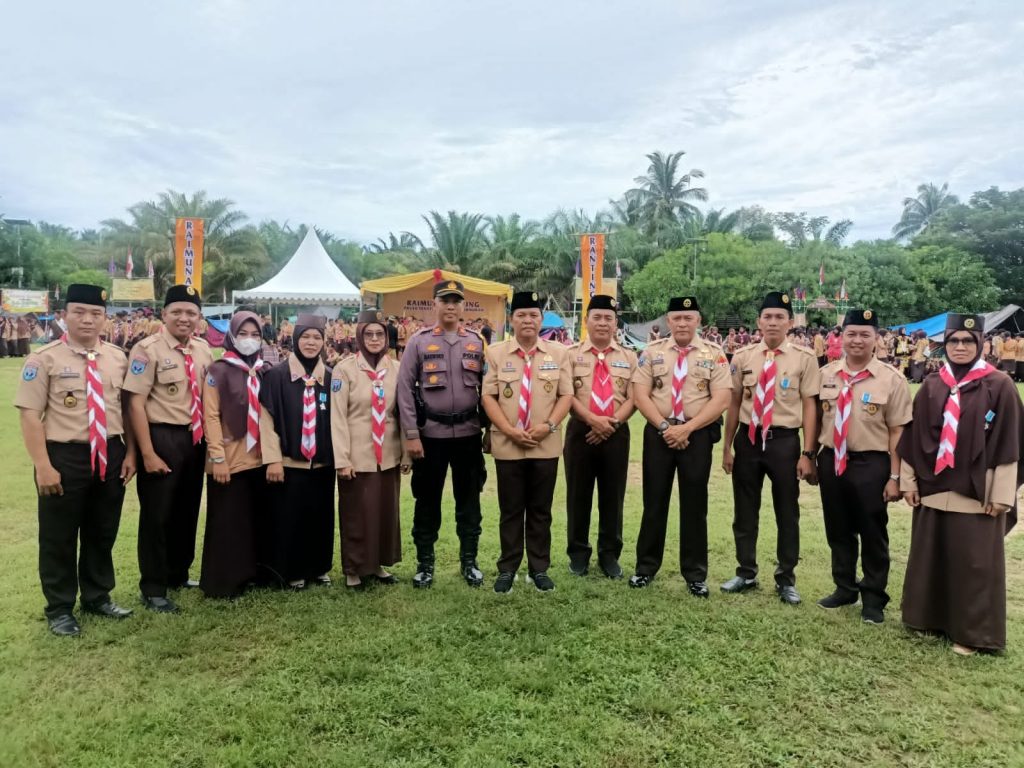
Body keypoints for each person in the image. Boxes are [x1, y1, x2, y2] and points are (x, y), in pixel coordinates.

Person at [14, 285, 137, 636]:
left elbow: (125, 409)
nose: (87, 319)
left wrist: (129, 452)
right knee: (59, 535)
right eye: (79, 311)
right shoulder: (44, 359)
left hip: (110, 452)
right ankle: (60, 608)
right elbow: (29, 415)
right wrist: (43, 465)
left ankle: (98, 596)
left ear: (104, 317)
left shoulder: (117, 357)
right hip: (65, 455)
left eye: (95, 313)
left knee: (103, 530)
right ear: (64, 315)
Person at [898, 313, 1023, 655]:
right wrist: (908, 482)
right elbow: (913, 436)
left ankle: (971, 633)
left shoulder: (1000, 385)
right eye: (954, 340)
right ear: (945, 344)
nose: (961, 346)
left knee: (974, 562)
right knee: (931, 555)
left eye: (968, 341)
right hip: (933, 486)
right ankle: (927, 617)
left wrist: (1001, 493)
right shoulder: (932, 385)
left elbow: (1009, 443)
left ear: (980, 343)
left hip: (976, 490)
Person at [721, 292, 820, 605]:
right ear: (758, 321)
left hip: (785, 442)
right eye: (768, 316)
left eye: (780, 317)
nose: (773, 322)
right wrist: (727, 447)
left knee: (786, 512)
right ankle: (746, 571)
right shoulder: (742, 357)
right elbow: (734, 403)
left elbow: (810, 407)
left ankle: (785, 578)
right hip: (749, 440)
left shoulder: (804, 359)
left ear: (790, 322)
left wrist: (807, 453)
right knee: (744, 510)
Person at [814, 309, 912, 624]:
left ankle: (873, 598)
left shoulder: (891, 379)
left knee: (872, 531)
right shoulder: (827, 374)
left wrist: (895, 476)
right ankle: (844, 587)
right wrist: (809, 455)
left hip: (872, 463)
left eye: (864, 334)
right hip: (831, 459)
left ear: (877, 339)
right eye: (851, 334)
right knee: (838, 528)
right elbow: (817, 418)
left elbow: (898, 431)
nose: (857, 340)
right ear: (841, 337)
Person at [628, 296, 731, 594]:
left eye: (689, 318)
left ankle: (695, 574)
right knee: (654, 502)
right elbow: (640, 394)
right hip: (659, 433)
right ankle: (646, 568)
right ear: (668, 321)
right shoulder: (651, 352)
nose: (683, 323)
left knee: (695, 505)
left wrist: (687, 428)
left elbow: (722, 398)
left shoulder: (714, 354)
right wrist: (664, 426)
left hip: (696, 435)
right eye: (677, 318)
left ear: (698, 320)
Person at [123, 285, 213, 613]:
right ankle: (153, 586)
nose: (184, 318)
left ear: (199, 318)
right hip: (161, 437)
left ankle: (178, 572)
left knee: (186, 510)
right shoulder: (147, 350)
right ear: (164, 314)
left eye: (191, 313)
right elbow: (134, 402)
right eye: (177, 311)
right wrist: (146, 452)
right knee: (157, 515)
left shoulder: (203, 350)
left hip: (194, 439)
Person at [397, 279, 488, 589]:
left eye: (456, 300)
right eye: (445, 300)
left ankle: (469, 561)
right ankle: (425, 564)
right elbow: (405, 391)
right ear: (434, 304)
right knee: (426, 500)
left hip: (468, 433)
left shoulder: (476, 342)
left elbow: (487, 391)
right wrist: (411, 434)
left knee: (469, 499)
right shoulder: (418, 342)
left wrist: (487, 430)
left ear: (463, 306)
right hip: (430, 435)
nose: (451, 305)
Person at [482, 291, 573, 594]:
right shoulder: (495, 353)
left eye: (534, 315)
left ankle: (539, 569)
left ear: (540, 319)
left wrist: (548, 426)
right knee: (510, 509)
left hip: (544, 443)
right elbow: (488, 396)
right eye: (521, 315)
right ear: (512, 319)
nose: (528, 320)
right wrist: (508, 429)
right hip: (508, 443)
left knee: (540, 510)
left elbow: (566, 395)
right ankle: (508, 568)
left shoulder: (559, 353)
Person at [332, 309, 409, 589]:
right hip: (357, 454)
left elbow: (403, 413)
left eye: (380, 333)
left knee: (383, 512)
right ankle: (353, 568)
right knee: (355, 512)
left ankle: (376, 564)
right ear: (360, 336)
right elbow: (337, 417)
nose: (375, 339)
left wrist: (406, 453)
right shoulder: (345, 369)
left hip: (387, 453)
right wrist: (342, 459)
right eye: (369, 334)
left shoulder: (397, 368)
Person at [259, 314, 336, 590]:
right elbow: (265, 420)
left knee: (320, 516)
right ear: (295, 339)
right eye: (306, 336)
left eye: (317, 337)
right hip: (289, 462)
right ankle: (292, 570)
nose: (311, 343)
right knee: (290, 518)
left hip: (323, 463)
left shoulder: (329, 377)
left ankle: (318, 567)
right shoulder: (276, 376)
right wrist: (273, 460)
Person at [563, 295, 637, 579]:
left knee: (613, 496)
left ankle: (609, 556)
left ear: (616, 323)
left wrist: (612, 423)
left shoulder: (629, 357)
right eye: (597, 317)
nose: (603, 323)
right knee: (577, 495)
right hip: (580, 431)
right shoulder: (570, 355)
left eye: (609, 318)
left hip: (617, 432)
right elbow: (566, 394)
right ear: (586, 321)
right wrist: (593, 420)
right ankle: (578, 554)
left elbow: (635, 396)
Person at [199, 311, 270, 598]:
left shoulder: (265, 370)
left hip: (260, 458)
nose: (249, 340)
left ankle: (252, 572)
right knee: (227, 521)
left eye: (255, 335)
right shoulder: (219, 370)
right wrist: (218, 458)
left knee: (252, 519)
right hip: (229, 458)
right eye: (243, 334)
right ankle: (224, 581)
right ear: (232, 336)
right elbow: (211, 416)